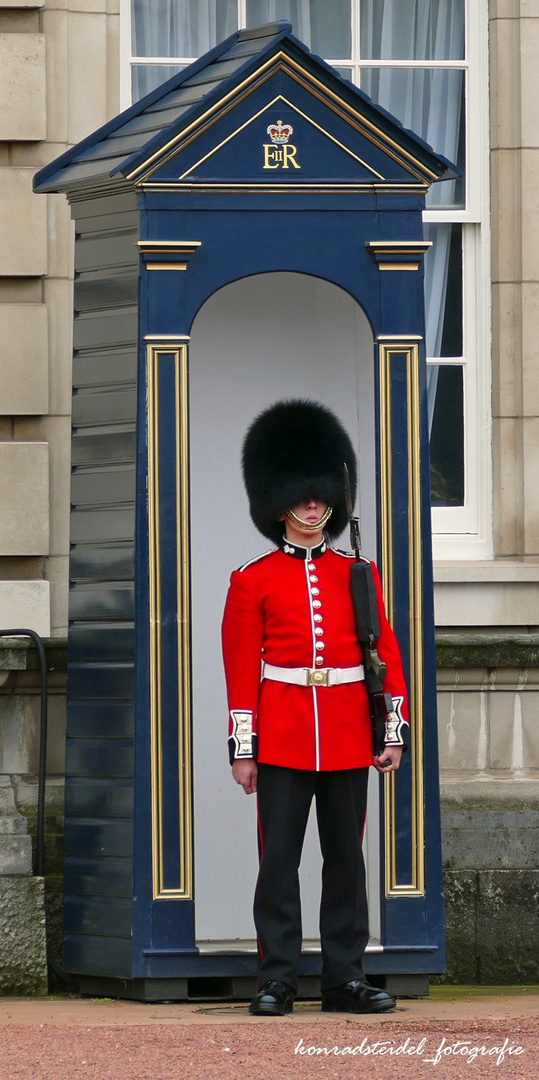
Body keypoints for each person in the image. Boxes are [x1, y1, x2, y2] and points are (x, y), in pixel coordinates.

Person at [221, 399, 409, 1016]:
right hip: (281, 733)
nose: (311, 504)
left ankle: (343, 978)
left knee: (346, 862)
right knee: (278, 863)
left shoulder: (358, 571)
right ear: (278, 501)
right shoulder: (252, 579)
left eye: (319, 494)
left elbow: (385, 653)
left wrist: (393, 730)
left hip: (349, 730)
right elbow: (241, 670)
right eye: (301, 495)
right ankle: (276, 978)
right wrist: (243, 750)